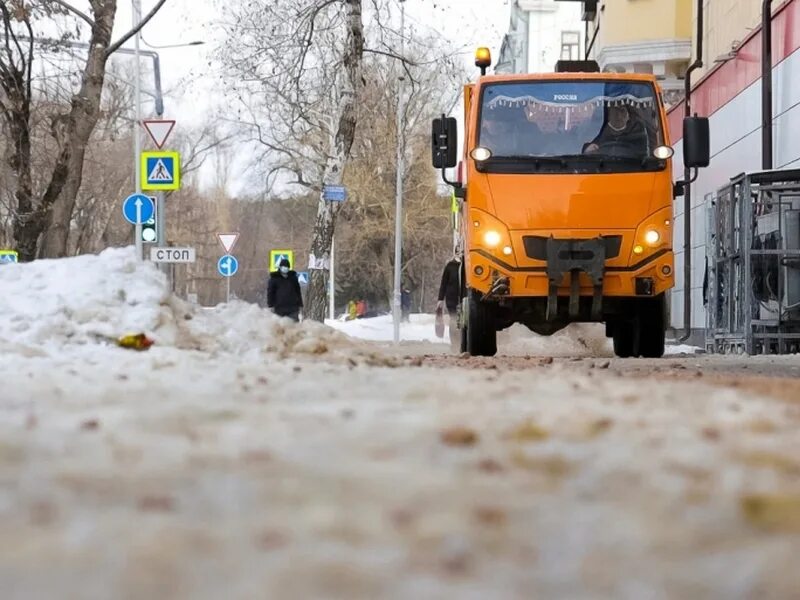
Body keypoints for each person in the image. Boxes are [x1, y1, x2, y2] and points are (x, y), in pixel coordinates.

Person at [583, 104, 649, 158]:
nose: (619, 116)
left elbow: (646, 157)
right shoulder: (596, 132)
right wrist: (587, 149)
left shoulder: (637, 134)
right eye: (615, 111)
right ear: (608, 114)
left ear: (628, 116)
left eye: (622, 111)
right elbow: (579, 149)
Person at [437, 255, 462, 351]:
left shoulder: (468, 264)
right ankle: (455, 344)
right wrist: (440, 299)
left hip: (466, 298)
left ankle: (463, 343)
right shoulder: (450, 266)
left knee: (464, 321)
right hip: (452, 298)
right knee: (454, 319)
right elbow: (444, 283)